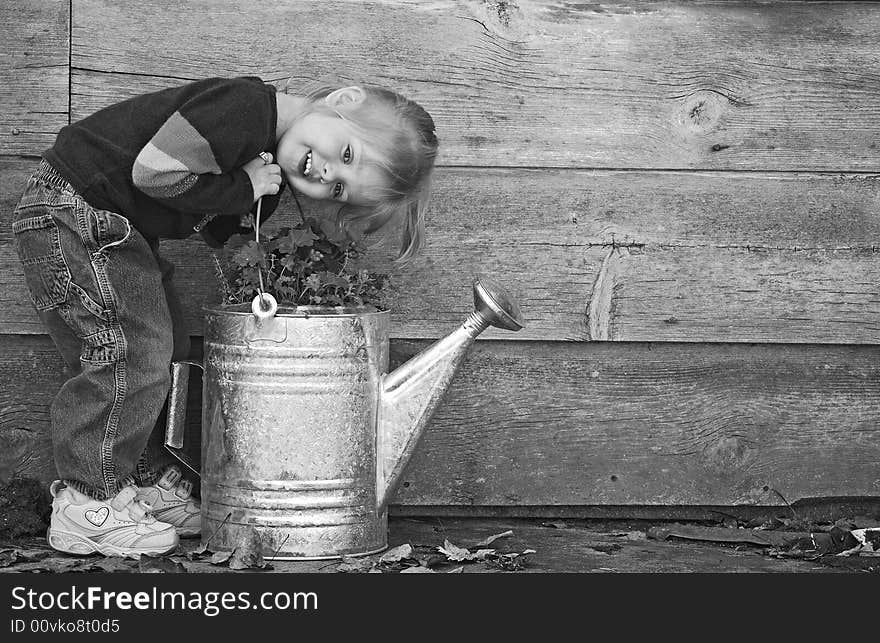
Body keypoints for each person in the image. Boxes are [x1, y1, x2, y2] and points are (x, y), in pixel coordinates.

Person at [11, 76, 439, 557]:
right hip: (77, 209)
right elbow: (155, 173)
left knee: (166, 347)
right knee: (128, 354)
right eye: (345, 154)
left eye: (339, 186)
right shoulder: (246, 110)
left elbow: (208, 217)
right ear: (342, 101)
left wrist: (247, 217)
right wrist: (242, 188)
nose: (324, 174)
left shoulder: (266, 163)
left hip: (112, 225)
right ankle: (87, 500)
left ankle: (135, 484)